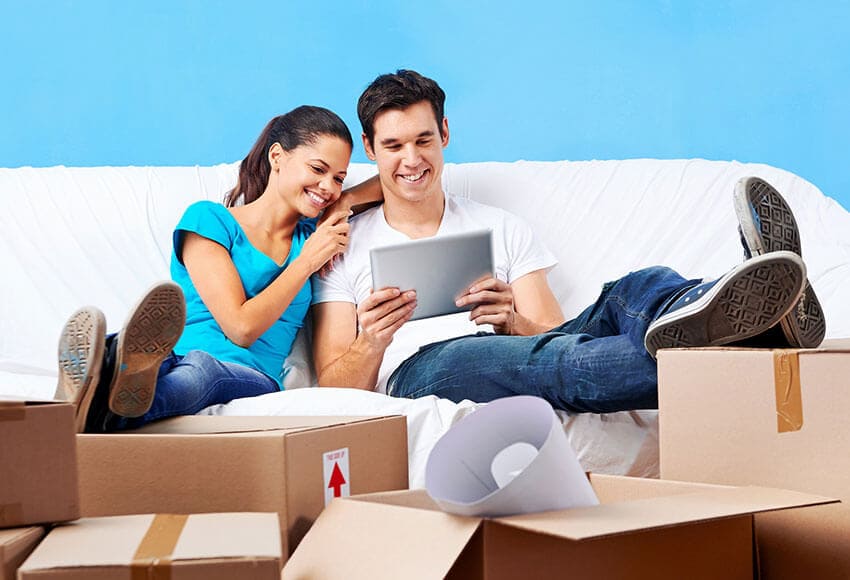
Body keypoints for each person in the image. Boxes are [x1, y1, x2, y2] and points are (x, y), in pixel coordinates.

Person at [310, 69, 821, 414]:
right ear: (371, 150)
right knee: (560, 364)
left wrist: (512, 321)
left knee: (635, 288)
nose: (412, 160)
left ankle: (723, 300)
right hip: (423, 369)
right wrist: (373, 338)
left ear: (444, 133)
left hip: (516, 348)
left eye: (423, 140)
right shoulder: (342, 245)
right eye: (394, 146)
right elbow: (330, 388)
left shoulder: (501, 226)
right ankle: (756, 340)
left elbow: (552, 334)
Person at [57, 105, 379, 432]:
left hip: (252, 375)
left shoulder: (312, 238)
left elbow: (394, 179)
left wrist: (345, 200)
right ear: (277, 156)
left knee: (202, 371)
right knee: (172, 364)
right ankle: (109, 370)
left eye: (338, 178)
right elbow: (238, 322)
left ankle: (99, 406)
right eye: (318, 169)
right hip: (177, 355)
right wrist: (307, 261)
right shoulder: (210, 221)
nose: (328, 187)